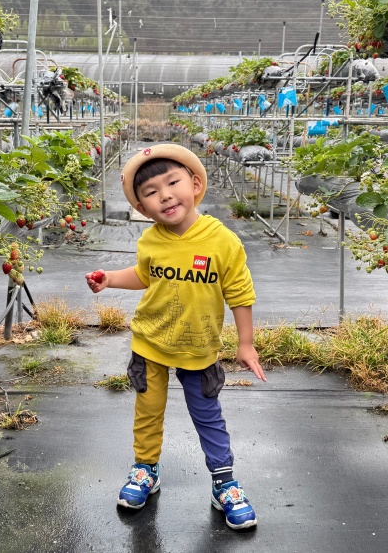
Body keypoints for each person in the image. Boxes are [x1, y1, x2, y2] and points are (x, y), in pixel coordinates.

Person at [85, 144, 266, 530]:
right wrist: (111, 279)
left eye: (172, 183)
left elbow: (240, 294)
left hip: (199, 349)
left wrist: (245, 343)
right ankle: (145, 470)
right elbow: (145, 275)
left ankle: (224, 483)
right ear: (142, 208)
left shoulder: (222, 241)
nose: (164, 195)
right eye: (150, 192)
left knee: (208, 418)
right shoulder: (151, 240)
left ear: (195, 184)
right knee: (147, 413)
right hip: (150, 343)